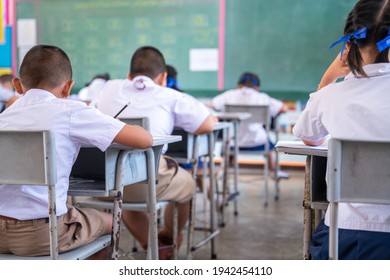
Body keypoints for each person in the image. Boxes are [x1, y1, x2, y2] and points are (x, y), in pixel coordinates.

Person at [0, 45, 153, 258]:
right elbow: (144, 140)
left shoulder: (4, 117)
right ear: (68, 88)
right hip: (42, 234)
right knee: (112, 222)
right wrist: (113, 123)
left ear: (17, 84)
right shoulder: (72, 112)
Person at [96, 46, 217, 259]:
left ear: (128, 76)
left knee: (125, 191)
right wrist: (213, 118)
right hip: (145, 183)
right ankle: (169, 237)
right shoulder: (170, 95)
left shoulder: (108, 89)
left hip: (100, 183)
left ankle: (153, 245)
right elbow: (205, 125)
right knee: (187, 184)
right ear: (163, 77)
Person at [293, 0, 390, 260]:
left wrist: (328, 77)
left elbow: (308, 137)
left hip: (347, 236)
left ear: (348, 46)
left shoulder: (332, 96)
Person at [210, 72, 290, 180]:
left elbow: (213, 105)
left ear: (239, 84)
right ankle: (274, 171)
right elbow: (284, 108)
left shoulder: (229, 95)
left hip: (233, 143)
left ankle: (224, 170)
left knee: (228, 141)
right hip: (258, 142)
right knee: (270, 146)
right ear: (257, 87)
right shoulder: (262, 97)